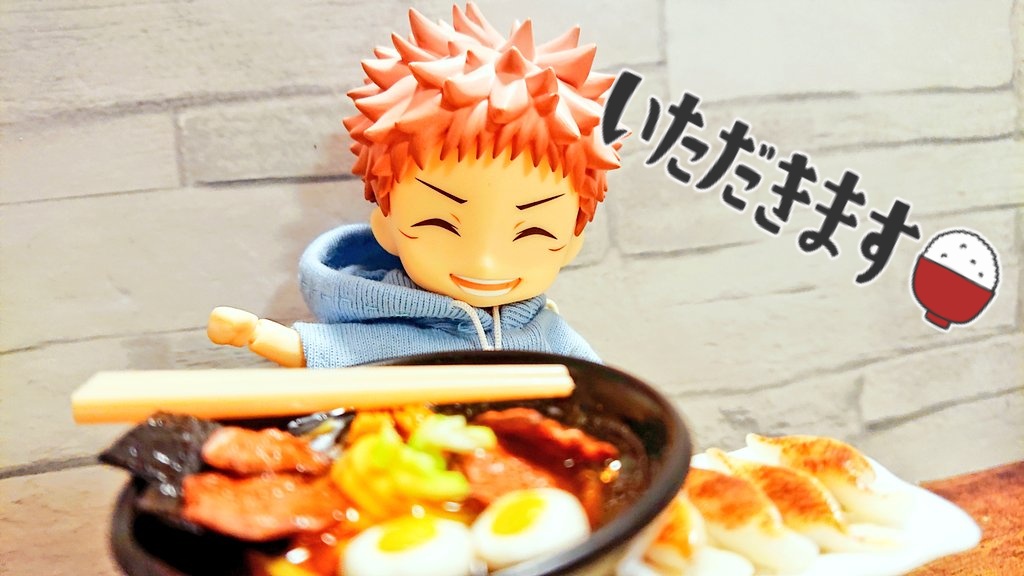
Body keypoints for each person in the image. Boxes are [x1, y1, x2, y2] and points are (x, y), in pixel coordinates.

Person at [207, 3, 622, 367]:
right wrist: (256, 335)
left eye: (533, 231)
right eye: (441, 224)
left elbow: (604, 387)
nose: (484, 263)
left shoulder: (546, 332)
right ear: (386, 226)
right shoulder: (390, 330)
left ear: (572, 243)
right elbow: (328, 351)